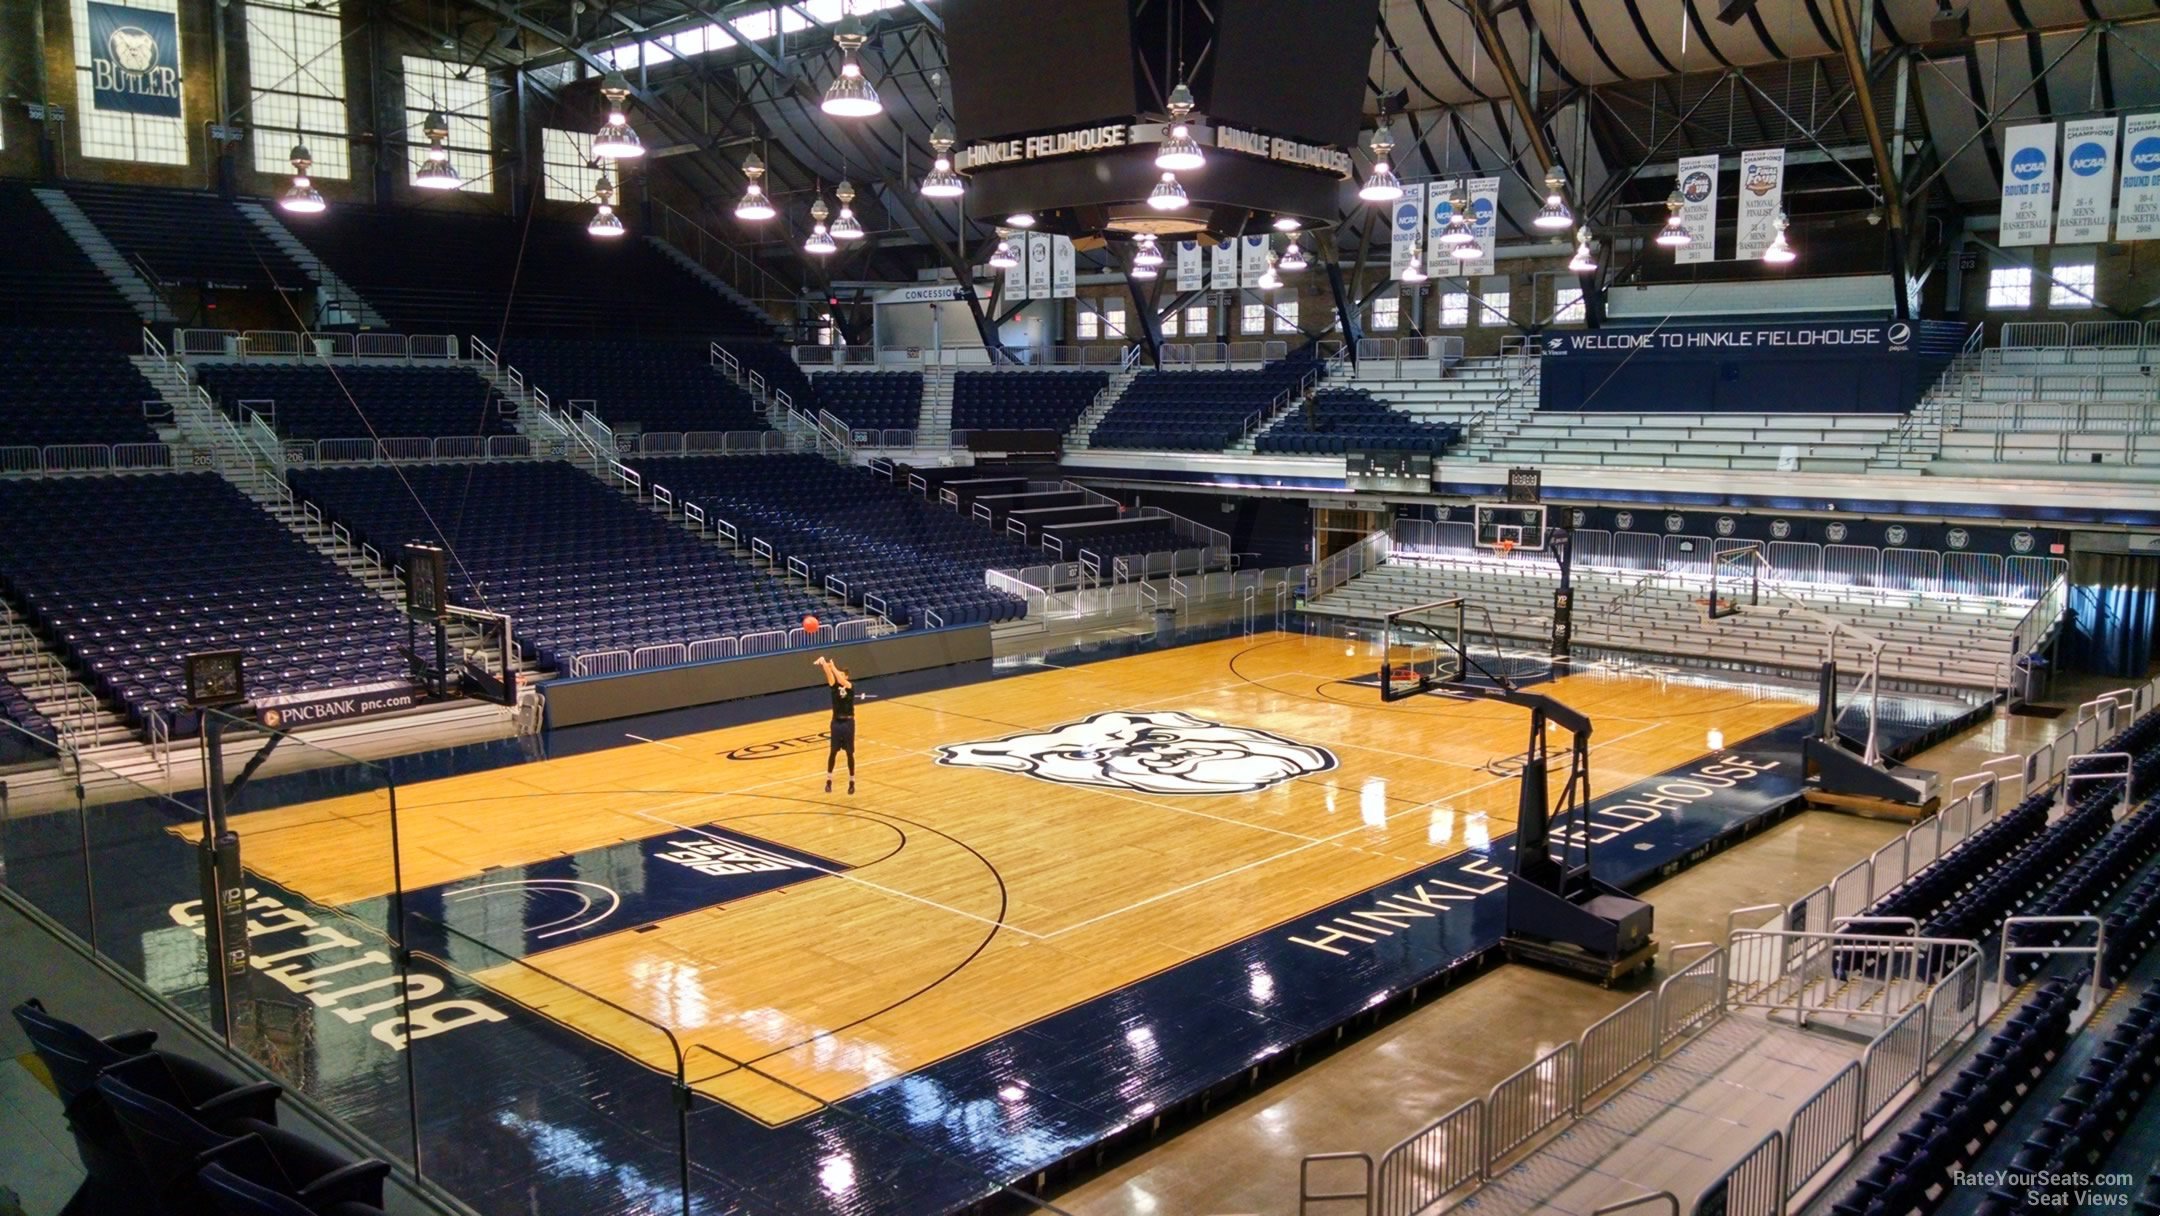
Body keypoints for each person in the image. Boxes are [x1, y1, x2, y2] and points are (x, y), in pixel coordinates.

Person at [814, 655, 855, 794]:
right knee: (833, 752)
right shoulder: (834, 686)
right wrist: (824, 663)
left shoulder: (850, 686)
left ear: (847, 677)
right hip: (836, 722)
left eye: (843, 676)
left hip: (848, 722)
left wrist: (833, 667)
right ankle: (829, 781)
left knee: (850, 753)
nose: (839, 678)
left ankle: (851, 781)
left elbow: (840, 678)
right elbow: (830, 676)